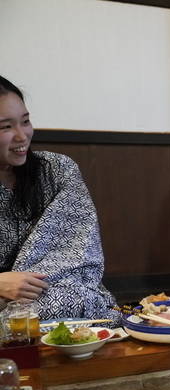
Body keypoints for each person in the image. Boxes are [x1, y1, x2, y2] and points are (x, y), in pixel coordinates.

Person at [0, 75, 119, 321]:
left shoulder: (57, 169)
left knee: (76, 300)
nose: (22, 136)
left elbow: (80, 252)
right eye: (6, 127)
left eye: (25, 121)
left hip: (54, 292)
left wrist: (28, 288)